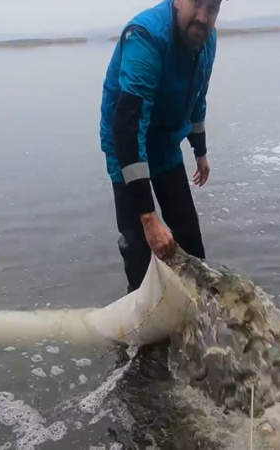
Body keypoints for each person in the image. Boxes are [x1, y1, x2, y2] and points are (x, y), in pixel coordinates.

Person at [99, 0, 222, 293]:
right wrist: (148, 217)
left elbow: (197, 98)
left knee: (191, 241)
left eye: (213, 8)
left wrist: (200, 151)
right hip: (125, 144)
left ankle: (195, 314)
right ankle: (142, 326)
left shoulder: (207, 40)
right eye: (197, 4)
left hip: (165, 143)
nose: (203, 18)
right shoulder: (146, 36)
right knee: (140, 248)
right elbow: (128, 125)